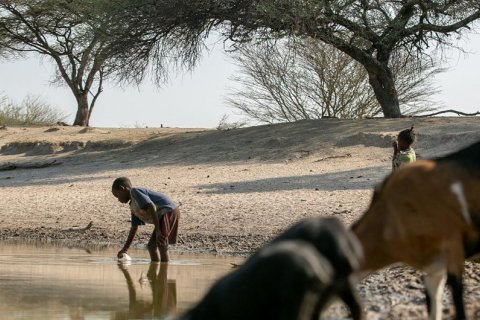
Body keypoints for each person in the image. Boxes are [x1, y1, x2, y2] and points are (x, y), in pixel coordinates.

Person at [112, 177, 180, 262]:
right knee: (151, 247)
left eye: (117, 195)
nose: (118, 199)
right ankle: (154, 273)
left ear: (123, 189)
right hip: (161, 217)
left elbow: (151, 206)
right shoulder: (133, 206)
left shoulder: (135, 192)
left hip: (168, 211)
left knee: (161, 244)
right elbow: (134, 228)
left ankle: (164, 272)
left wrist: (158, 231)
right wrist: (125, 249)